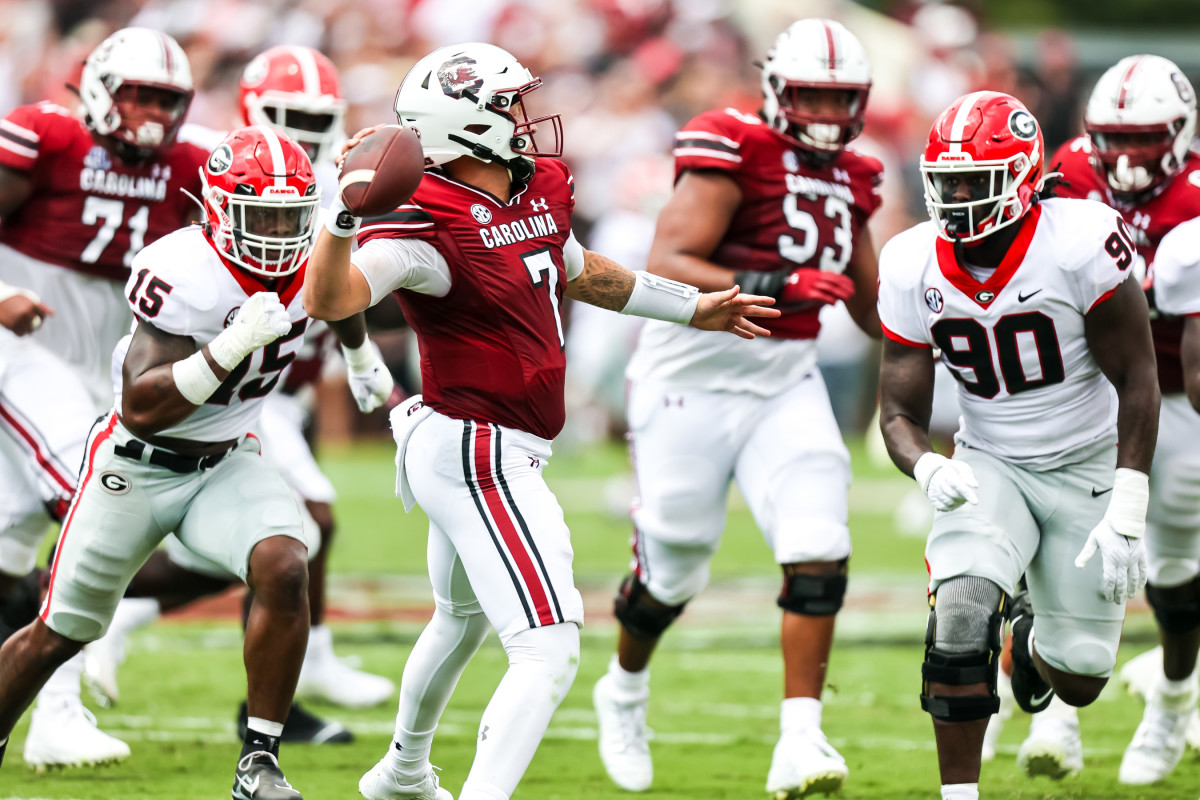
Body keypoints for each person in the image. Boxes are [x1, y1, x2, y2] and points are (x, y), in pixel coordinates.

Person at [302, 41, 778, 800]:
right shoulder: (423, 220)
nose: (524, 118)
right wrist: (338, 218)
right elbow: (331, 302)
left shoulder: (537, 186)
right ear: (462, 123)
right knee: (550, 647)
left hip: (481, 443)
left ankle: (401, 772)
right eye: (505, 104)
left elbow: (579, 270)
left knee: (458, 622)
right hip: (477, 449)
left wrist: (695, 308)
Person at [590, 18, 881, 798]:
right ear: (779, 90)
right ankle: (622, 690)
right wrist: (778, 286)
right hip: (692, 375)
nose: (824, 111)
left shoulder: (853, 174)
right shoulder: (734, 145)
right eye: (812, 94)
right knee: (675, 568)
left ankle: (801, 735)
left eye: (839, 97)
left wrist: (938, 340)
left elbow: (871, 300)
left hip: (785, 376)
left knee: (820, 544)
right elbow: (669, 262)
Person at [0, 124, 324, 800]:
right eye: (259, 214)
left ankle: (259, 761)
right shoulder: (182, 268)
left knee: (286, 564)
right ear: (216, 209)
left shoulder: (314, 260)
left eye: (289, 217)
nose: (275, 231)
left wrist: (361, 352)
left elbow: (357, 296)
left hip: (227, 461)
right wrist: (229, 346)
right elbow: (143, 405)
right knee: (60, 633)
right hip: (135, 465)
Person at [84, 43, 397, 728]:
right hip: (226, 377)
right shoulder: (211, 159)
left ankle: (274, 683)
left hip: (284, 374)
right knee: (303, 526)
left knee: (285, 541)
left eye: (317, 116)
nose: (304, 128)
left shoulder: (338, 173)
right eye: (288, 113)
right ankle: (126, 617)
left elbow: (333, 283)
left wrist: (359, 355)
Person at [877, 90, 1160, 800]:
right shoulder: (913, 260)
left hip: (1088, 458)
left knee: (1082, 675)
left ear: (1026, 175)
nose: (961, 196)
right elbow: (896, 411)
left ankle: (1031, 643)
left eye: (978, 179)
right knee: (961, 613)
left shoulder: (1081, 239)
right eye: (949, 181)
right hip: (991, 463)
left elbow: (1138, 376)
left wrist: (1128, 496)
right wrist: (926, 465)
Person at [0, 26, 208, 768]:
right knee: (93, 504)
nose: (152, 112)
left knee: (9, 543)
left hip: (99, 370)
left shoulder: (190, 163)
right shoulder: (42, 135)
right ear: (97, 89)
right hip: (20, 353)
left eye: (167, 99)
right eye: (139, 94)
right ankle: (57, 713)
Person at [992, 53, 1200, 784]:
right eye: (1112, 137)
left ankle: (1173, 698)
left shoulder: (1196, 199)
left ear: (1179, 133)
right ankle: (1054, 713)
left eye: (1144, 139)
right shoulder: (1066, 173)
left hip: (1171, 394)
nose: (1126, 155)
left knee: (1174, 574)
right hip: (1083, 392)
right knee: (1063, 550)